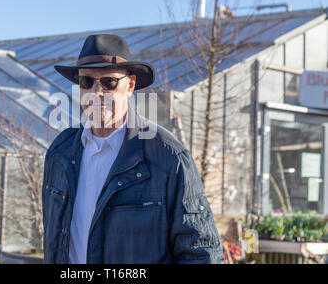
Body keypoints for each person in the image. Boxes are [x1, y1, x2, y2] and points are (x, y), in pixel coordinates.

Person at [42, 34, 224, 263]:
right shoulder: (60, 153)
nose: (96, 92)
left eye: (109, 83)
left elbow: (202, 254)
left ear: (130, 86)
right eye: (86, 82)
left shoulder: (168, 158)